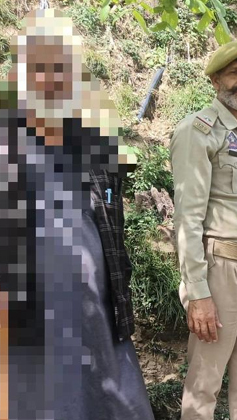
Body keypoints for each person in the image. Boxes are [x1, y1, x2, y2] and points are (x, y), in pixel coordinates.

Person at [0, 8, 150, 420]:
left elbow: (113, 235)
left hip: (98, 324)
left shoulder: (96, 147)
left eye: (62, 69)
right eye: (40, 68)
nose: (52, 80)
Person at [170, 39, 237, 420]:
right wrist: (198, 293)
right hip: (222, 273)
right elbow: (188, 218)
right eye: (235, 73)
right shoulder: (198, 131)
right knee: (205, 382)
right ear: (216, 80)